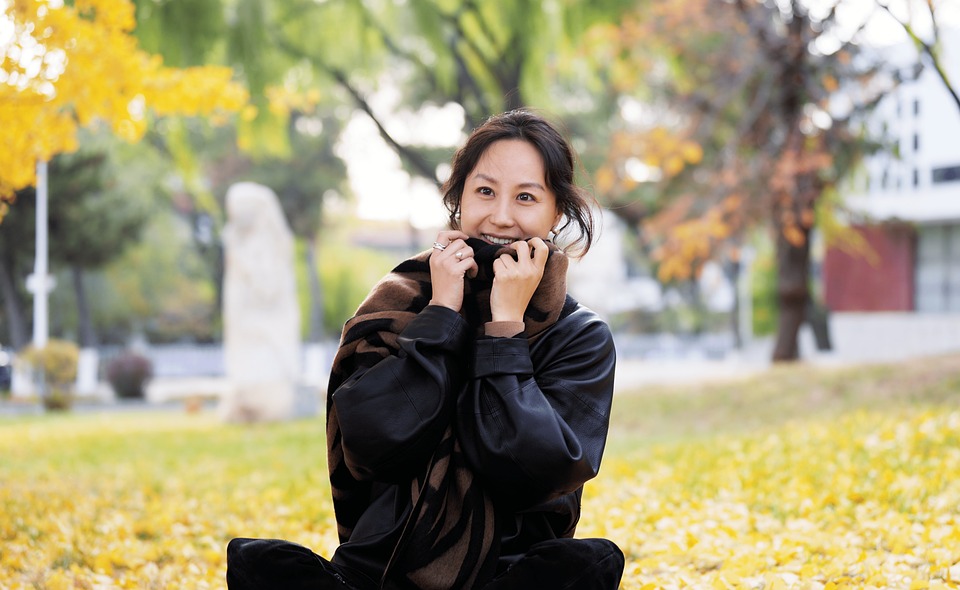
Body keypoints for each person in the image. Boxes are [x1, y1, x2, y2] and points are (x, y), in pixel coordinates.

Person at [226, 110, 624, 590]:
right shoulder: (395, 304)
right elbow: (375, 449)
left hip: (505, 573)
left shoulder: (579, 335)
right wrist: (442, 314)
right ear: (458, 199)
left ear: (556, 212)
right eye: (484, 191)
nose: (500, 215)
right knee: (258, 562)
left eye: (525, 197)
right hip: (380, 570)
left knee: (591, 564)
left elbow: (532, 475)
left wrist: (504, 330)